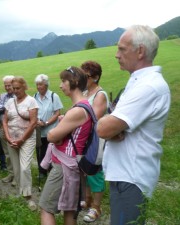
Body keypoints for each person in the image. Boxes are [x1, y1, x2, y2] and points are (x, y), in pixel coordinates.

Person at [97, 25, 171, 225]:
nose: (116, 55)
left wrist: (110, 125)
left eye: (121, 49)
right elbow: (111, 125)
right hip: (125, 173)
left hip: (131, 176)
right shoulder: (138, 81)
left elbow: (104, 128)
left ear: (140, 51)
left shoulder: (148, 86)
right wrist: (113, 125)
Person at [39, 66, 92, 225]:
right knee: (69, 211)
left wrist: (55, 131)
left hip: (63, 166)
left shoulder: (77, 111)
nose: (61, 85)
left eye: (63, 81)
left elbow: (51, 136)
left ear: (74, 82)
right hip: (74, 165)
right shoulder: (85, 105)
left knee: (46, 208)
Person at [2, 77, 38, 210]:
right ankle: (20, 192)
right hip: (11, 139)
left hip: (26, 139)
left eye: (18, 88)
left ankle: (28, 197)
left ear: (24, 87)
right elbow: (5, 121)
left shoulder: (31, 101)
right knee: (16, 169)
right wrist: (7, 136)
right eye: (13, 88)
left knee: (24, 168)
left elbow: (33, 122)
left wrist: (21, 139)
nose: (15, 91)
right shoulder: (10, 102)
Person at [80, 60, 109, 222]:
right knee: (84, 169)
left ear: (96, 77)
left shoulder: (100, 94)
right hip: (84, 138)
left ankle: (96, 208)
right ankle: (88, 199)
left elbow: (94, 118)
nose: (82, 79)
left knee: (95, 171)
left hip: (96, 139)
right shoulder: (85, 93)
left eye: (86, 76)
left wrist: (73, 121)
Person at [34, 74, 63, 179]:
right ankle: (41, 172)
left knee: (51, 151)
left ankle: (52, 172)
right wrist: (36, 121)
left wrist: (45, 123)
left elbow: (57, 113)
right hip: (38, 131)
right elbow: (33, 111)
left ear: (46, 85)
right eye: (37, 84)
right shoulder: (35, 96)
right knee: (40, 151)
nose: (38, 87)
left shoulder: (53, 96)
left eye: (40, 84)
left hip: (51, 131)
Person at [0, 75, 16, 185]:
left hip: (16, 129)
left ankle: (17, 175)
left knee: (17, 153)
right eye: (5, 85)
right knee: (7, 153)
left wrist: (4, 107)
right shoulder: (3, 96)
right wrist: (7, 107)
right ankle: (11, 174)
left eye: (9, 85)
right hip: (3, 128)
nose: (7, 87)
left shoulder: (19, 95)